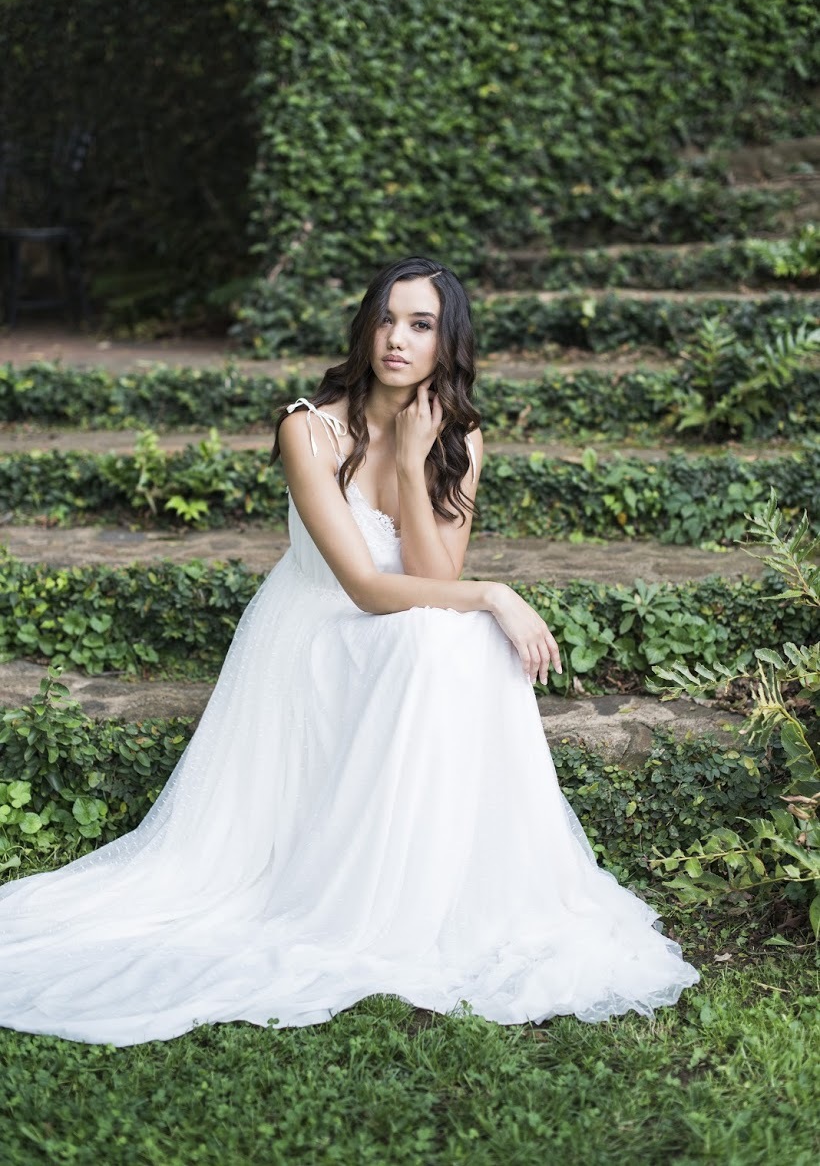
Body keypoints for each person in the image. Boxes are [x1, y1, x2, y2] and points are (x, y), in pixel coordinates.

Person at [0, 257, 698, 1046]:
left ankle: (437, 889)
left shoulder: (459, 436)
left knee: (453, 639)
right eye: (387, 318)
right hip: (314, 632)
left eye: (422, 324)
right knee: (463, 628)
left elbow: (434, 577)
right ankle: (373, 894)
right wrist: (499, 595)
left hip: (403, 627)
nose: (398, 339)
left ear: (448, 342)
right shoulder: (308, 427)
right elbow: (367, 587)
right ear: (366, 326)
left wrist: (410, 459)